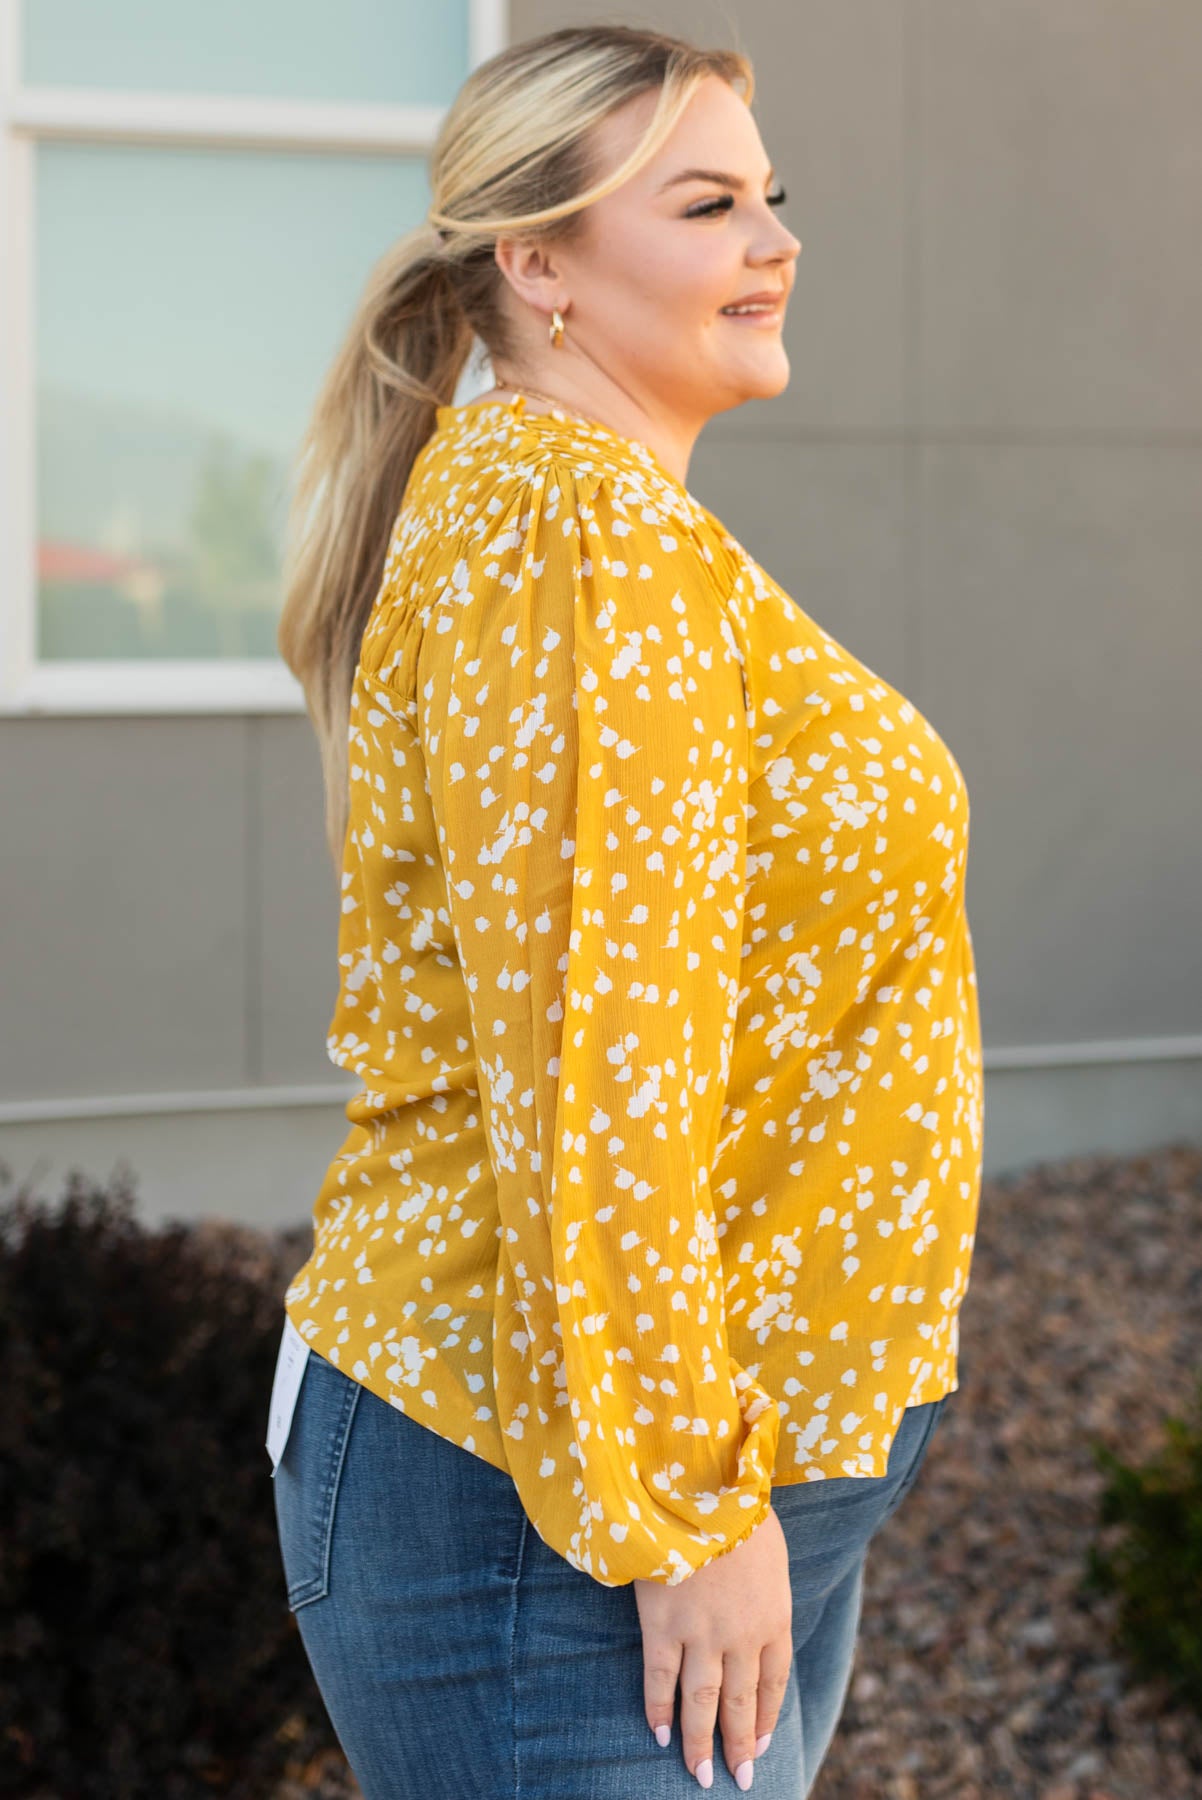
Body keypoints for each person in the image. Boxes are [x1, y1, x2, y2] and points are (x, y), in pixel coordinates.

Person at [270, 22, 983, 1799]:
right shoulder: (572, 536)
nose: (774, 237)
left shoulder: (605, 525)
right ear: (536, 263)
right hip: (567, 1518)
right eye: (706, 202)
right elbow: (600, 1063)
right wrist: (681, 1507)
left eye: (772, 195)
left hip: (686, 1493)